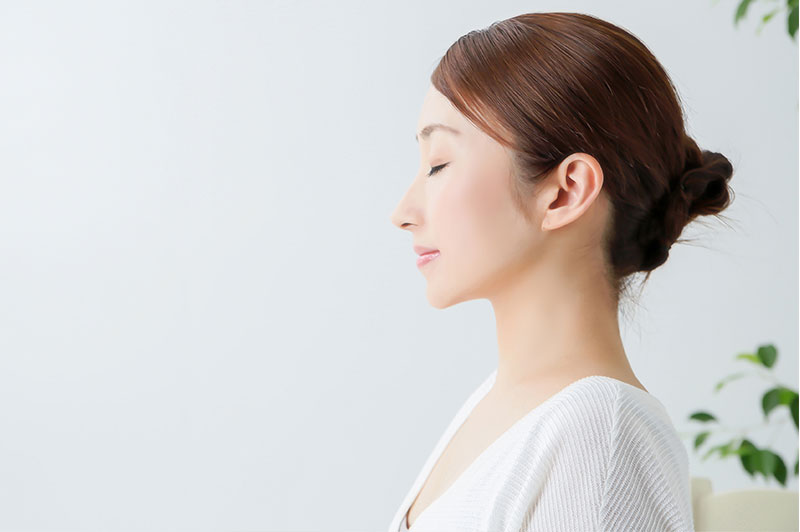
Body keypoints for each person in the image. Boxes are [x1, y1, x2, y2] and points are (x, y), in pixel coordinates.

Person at [387, 11, 734, 532]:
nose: (403, 212)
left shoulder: (599, 436)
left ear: (565, 191)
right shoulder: (505, 406)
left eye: (438, 164)